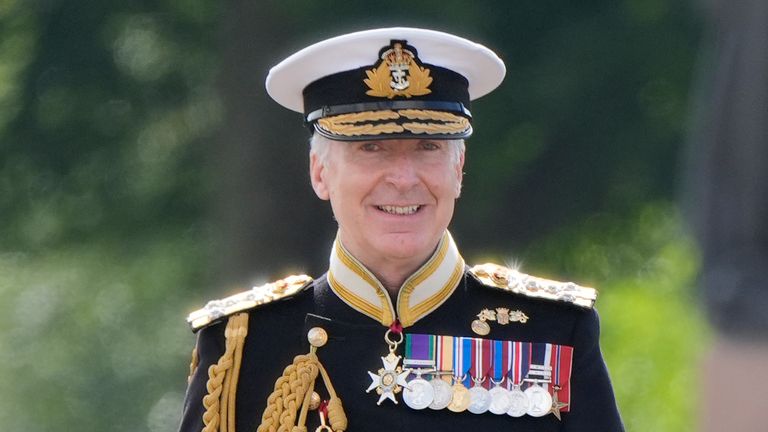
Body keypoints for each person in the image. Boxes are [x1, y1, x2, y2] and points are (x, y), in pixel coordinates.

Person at [178, 27, 624, 432]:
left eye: (428, 148)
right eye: (371, 148)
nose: (404, 177)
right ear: (320, 173)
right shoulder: (243, 345)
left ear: (459, 170)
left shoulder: (552, 330)